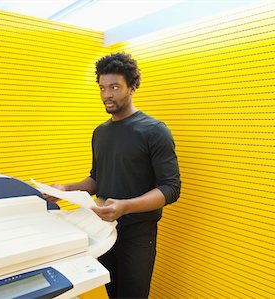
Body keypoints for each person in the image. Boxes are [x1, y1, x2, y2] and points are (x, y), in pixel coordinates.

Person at [43, 52, 181, 299]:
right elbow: (97, 179)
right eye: (102, 88)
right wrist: (65, 189)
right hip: (103, 230)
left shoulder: (154, 131)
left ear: (132, 87)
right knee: (112, 294)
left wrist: (126, 206)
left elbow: (171, 188)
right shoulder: (100, 133)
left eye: (115, 87)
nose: (107, 95)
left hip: (138, 235)